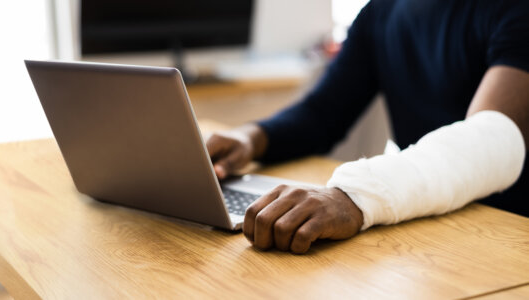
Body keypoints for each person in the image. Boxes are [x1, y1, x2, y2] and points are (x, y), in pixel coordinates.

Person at [206, 0, 529, 253]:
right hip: (431, 228)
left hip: (510, 235)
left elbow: (495, 138)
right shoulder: (381, 10)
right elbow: (322, 114)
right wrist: (248, 138)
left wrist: (354, 195)